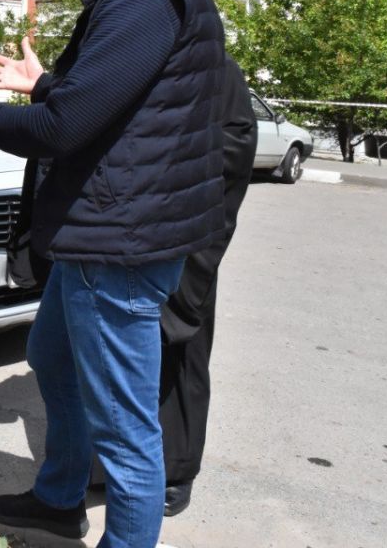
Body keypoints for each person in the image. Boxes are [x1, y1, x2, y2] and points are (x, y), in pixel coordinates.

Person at [0, 0, 226, 546]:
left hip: (118, 246)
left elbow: (65, 127)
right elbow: (114, 104)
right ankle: (59, 496)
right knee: (49, 357)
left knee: (127, 431)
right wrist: (43, 82)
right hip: (98, 235)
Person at [158, 56, 257, 517]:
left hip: (187, 237)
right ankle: (104, 469)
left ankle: (176, 469)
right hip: (121, 238)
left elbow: (237, 144)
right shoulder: (127, 55)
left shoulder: (216, 66)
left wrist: (166, 152)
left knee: (182, 354)